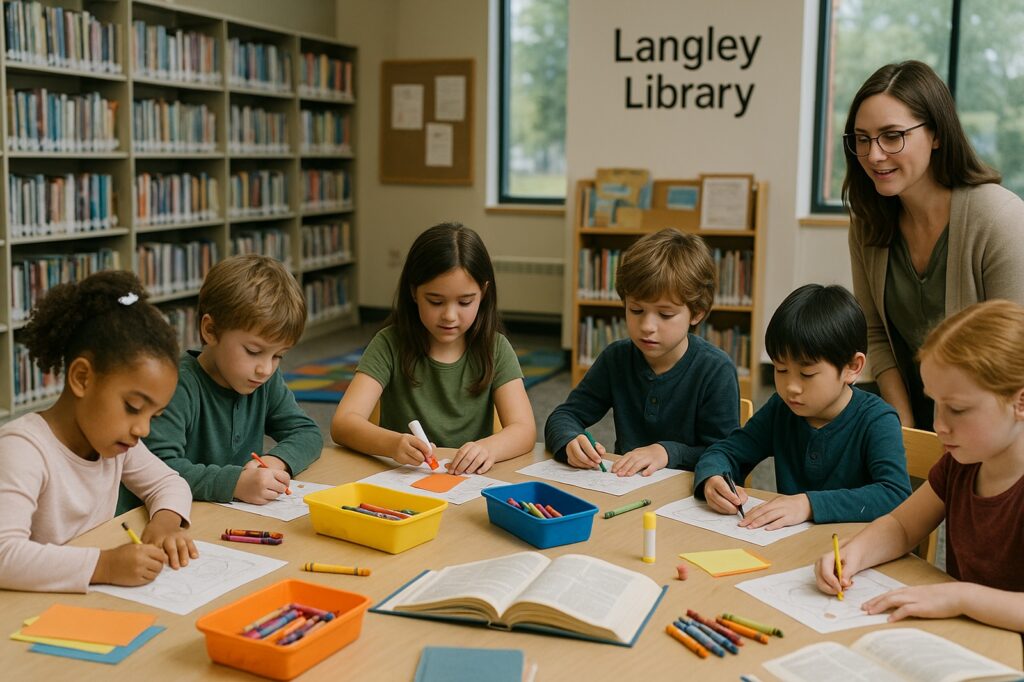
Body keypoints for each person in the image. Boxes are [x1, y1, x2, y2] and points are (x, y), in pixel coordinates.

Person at [815, 300, 1024, 632]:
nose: (939, 424)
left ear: (1020, 402)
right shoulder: (961, 463)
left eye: (956, 408)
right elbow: (901, 526)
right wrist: (853, 555)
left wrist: (960, 597)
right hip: (964, 635)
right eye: (934, 404)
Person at [845, 60, 1024, 430]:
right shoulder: (867, 221)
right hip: (913, 418)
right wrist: (902, 425)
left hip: (994, 428)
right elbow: (875, 332)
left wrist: (952, 427)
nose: (874, 155)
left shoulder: (999, 218)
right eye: (862, 139)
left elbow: (1014, 354)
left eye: (892, 136)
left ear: (937, 134)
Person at [0, 271, 196, 592]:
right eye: (133, 406)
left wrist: (165, 524)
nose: (143, 429)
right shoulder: (23, 450)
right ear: (82, 378)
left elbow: (169, 482)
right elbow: (4, 555)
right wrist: (103, 565)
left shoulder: (117, 443)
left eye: (154, 415)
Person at [695, 284, 911, 529]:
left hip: (855, 553)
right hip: (793, 548)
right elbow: (726, 451)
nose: (791, 387)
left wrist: (809, 505)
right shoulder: (782, 409)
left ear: (852, 367)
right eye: (781, 369)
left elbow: (895, 495)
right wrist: (713, 477)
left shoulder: (877, 419)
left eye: (807, 373)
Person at [331, 222, 536, 474]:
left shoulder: (496, 348)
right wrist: (393, 444)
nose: (449, 315)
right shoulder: (389, 344)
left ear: (483, 294)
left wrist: (489, 448)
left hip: (469, 483)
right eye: (436, 301)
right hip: (404, 481)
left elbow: (524, 430)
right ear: (414, 292)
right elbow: (343, 423)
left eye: (465, 302)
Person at [123, 254, 322, 510]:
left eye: (278, 356)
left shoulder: (264, 380)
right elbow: (156, 468)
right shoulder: (176, 384)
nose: (265, 368)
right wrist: (234, 483)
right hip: (166, 517)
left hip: (224, 515)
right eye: (252, 351)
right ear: (210, 330)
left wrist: (276, 460)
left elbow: (307, 432)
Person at [545, 228, 739, 476]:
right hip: (625, 489)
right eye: (636, 310)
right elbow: (564, 415)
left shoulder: (715, 370)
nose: (647, 326)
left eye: (665, 314)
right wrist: (570, 440)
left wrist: (667, 453)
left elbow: (726, 455)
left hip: (687, 500)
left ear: (698, 312)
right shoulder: (617, 358)